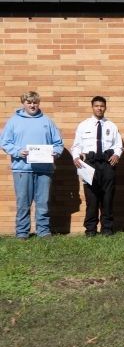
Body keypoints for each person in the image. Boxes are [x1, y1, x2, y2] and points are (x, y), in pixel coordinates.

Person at [1, 91, 64, 239]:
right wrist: (18, 151)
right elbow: (4, 142)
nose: (32, 105)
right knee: (23, 203)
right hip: (22, 168)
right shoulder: (14, 121)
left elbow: (58, 144)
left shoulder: (47, 121)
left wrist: (54, 153)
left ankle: (43, 231)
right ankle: (22, 232)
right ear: (23, 103)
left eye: (35, 102)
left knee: (43, 202)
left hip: (44, 169)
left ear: (38, 103)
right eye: (29, 102)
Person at [71, 96, 124, 236]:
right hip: (89, 164)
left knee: (107, 198)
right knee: (91, 199)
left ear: (105, 107)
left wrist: (117, 155)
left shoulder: (111, 126)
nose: (99, 108)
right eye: (96, 106)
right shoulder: (84, 125)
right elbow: (76, 145)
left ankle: (107, 229)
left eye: (102, 106)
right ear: (92, 107)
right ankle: (90, 230)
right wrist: (76, 157)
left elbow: (118, 145)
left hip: (107, 164)